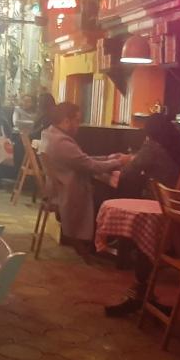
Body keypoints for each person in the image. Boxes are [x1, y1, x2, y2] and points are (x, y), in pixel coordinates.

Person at [104, 114, 180, 317]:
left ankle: (139, 289)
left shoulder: (153, 146)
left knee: (139, 225)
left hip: (159, 212)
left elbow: (129, 172)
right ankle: (143, 290)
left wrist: (127, 160)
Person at [43, 102, 130, 258]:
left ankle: (98, 242)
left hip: (61, 186)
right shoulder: (62, 142)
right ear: (66, 121)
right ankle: (99, 244)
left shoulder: (51, 134)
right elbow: (91, 166)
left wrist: (108, 158)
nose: (79, 125)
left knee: (105, 191)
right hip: (70, 190)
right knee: (109, 199)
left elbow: (82, 160)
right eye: (77, 120)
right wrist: (119, 162)